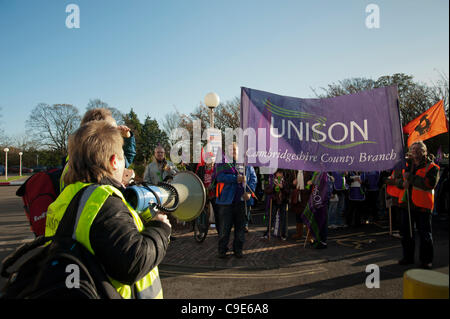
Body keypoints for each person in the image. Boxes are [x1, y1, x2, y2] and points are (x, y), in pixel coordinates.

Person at [46, 120, 171, 299]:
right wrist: (160, 228)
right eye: (122, 159)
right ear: (114, 161)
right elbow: (133, 263)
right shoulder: (103, 201)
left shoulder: (64, 197)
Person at [60, 108, 136, 191]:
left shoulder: (76, 161)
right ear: (95, 130)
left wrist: (128, 138)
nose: (116, 134)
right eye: (111, 129)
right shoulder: (86, 170)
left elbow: (126, 158)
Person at [398, 141, 440, 269]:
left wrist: (410, 178)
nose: (415, 151)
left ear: (424, 151)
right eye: (413, 148)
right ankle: (408, 257)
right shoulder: (405, 165)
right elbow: (399, 181)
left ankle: (426, 260)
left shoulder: (432, 167)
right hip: (407, 205)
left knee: (425, 235)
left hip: (423, 206)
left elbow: (429, 184)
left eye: (418, 149)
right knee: (406, 233)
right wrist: (401, 183)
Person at [215, 143, 257, 258]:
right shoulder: (222, 162)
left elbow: (253, 178)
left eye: (235, 149)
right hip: (226, 202)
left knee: (240, 229)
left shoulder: (246, 163)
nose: (232, 151)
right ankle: (222, 250)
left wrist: (249, 192)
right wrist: (235, 179)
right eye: (230, 149)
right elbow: (219, 177)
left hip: (241, 202)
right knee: (224, 229)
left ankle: (238, 250)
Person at [264, 169, 290, 240]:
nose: (279, 175)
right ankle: (267, 233)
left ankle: (283, 234)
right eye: (278, 173)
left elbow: (288, 192)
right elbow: (266, 190)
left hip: (283, 202)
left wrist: (282, 187)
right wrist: (273, 188)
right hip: (274, 201)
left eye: (281, 173)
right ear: (275, 173)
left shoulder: (285, 181)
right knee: (271, 217)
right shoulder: (271, 180)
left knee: (283, 218)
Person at [289, 170, 313, 239]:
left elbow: (315, 182)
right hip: (297, 197)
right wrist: (293, 183)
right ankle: (299, 233)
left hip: (306, 196)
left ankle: (309, 235)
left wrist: (311, 183)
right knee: (298, 215)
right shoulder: (294, 172)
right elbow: (288, 184)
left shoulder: (309, 172)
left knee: (307, 216)